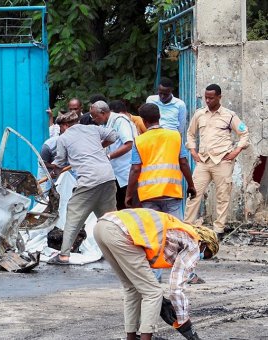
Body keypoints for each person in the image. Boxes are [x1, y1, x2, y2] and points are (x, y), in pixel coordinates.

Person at [94, 208, 219, 340]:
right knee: (153, 293)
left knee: (132, 288)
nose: (199, 258)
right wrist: (184, 321)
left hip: (102, 226)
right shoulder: (194, 243)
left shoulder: (178, 231)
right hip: (120, 233)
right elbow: (176, 289)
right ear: (205, 244)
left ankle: (131, 337)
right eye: (205, 255)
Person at [49, 111, 119, 264]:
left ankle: (64, 255)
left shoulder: (64, 138)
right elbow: (114, 135)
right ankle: (119, 252)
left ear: (65, 125)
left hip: (89, 180)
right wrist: (100, 147)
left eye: (61, 127)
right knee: (109, 218)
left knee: (74, 214)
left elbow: (60, 162)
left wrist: (54, 171)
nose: (61, 130)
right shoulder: (93, 129)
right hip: (108, 177)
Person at [184, 84, 250, 238]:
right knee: (194, 193)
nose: (207, 100)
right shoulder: (199, 114)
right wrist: (193, 151)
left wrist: (236, 150)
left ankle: (218, 230)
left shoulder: (230, 116)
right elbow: (190, 133)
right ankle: (187, 227)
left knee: (222, 195)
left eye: (211, 98)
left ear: (219, 97)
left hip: (223, 161)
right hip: (203, 161)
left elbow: (244, 133)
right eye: (206, 97)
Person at [125, 103, 195, 217]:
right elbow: (183, 162)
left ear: (143, 120)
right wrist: (191, 185)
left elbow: (135, 169)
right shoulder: (175, 136)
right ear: (159, 116)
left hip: (149, 194)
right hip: (171, 191)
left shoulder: (139, 141)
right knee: (175, 230)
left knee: (155, 229)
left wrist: (129, 194)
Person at [90, 101, 136, 210]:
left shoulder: (120, 121)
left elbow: (129, 144)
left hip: (126, 172)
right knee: (118, 207)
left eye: (95, 117)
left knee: (130, 207)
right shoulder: (107, 123)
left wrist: (109, 156)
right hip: (115, 174)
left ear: (103, 113)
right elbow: (108, 141)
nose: (94, 120)